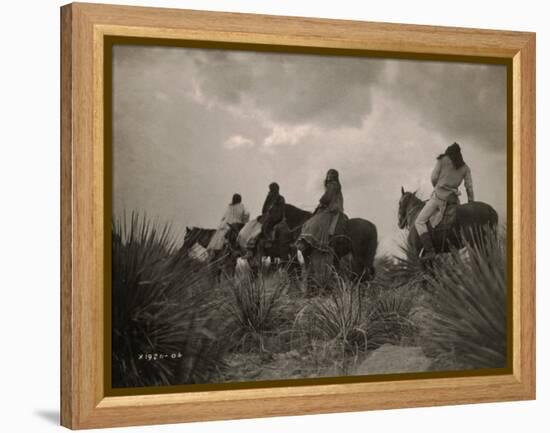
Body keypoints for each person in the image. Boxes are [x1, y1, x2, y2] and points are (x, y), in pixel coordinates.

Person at [415, 142, 475, 260]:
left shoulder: (442, 160)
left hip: (438, 197)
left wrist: (437, 186)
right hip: (453, 199)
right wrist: (470, 202)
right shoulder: (465, 168)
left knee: (420, 221)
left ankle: (430, 251)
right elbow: (469, 187)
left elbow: (433, 178)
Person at [298, 168, 344, 252]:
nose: (329, 176)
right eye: (328, 174)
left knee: (316, 220)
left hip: (333, 207)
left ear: (334, 177)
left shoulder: (332, 185)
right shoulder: (334, 185)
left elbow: (327, 197)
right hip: (332, 206)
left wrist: (321, 202)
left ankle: (316, 241)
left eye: (331, 174)